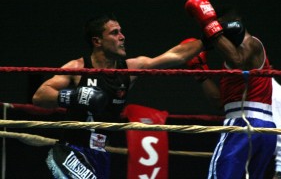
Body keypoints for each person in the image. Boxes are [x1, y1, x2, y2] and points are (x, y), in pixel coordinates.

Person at [32, 13, 204, 178]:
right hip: (71, 151)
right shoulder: (78, 67)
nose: (122, 37)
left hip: (100, 155)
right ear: (97, 41)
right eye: (115, 33)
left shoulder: (129, 69)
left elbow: (175, 56)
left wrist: (211, 36)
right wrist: (75, 96)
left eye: (121, 32)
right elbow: (39, 96)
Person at [184, 0, 277, 179]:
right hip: (263, 129)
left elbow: (238, 60)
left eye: (220, 27)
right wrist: (200, 72)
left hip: (243, 124)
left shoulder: (251, 43)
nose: (218, 34)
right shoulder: (230, 63)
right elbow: (220, 102)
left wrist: (209, 24)